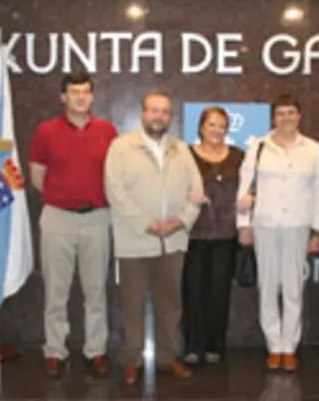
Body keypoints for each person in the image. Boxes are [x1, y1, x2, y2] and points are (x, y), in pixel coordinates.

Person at [104, 88, 204, 385]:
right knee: (133, 305)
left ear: (170, 117)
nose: (159, 116)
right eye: (153, 110)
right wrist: (149, 224)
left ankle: (168, 357)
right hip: (135, 241)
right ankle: (131, 361)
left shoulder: (182, 149)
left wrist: (180, 221)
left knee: (170, 305)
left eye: (164, 111)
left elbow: (196, 193)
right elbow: (116, 193)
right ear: (143, 113)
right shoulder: (121, 148)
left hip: (173, 241)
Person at [28, 71, 118, 377]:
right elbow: (37, 177)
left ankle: (96, 351)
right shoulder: (45, 131)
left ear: (92, 97)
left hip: (96, 218)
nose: (80, 97)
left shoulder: (107, 131)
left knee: (96, 290)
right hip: (58, 218)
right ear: (63, 97)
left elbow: (115, 176)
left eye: (85, 92)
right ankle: (55, 350)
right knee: (56, 290)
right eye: (74, 92)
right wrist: (65, 196)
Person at [236, 94, 319, 371]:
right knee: (268, 287)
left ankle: (290, 346)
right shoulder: (259, 146)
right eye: (280, 114)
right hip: (264, 224)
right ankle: (274, 345)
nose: (286, 118)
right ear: (273, 118)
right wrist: (243, 224)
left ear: (299, 116)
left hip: (297, 225)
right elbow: (245, 186)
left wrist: (317, 230)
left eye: (291, 113)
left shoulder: (312, 148)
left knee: (293, 288)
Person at [181, 106, 245, 365]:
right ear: (201, 128)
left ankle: (214, 345)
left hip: (225, 235)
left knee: (219, 293)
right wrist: (185, 195)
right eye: (211, 125)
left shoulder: (238, 156)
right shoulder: (186, 156)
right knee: (192, 292)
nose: (216, 130)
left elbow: (252, 186)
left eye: (221, 125)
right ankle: (193, 346)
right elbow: (172, 185)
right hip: (193, 234)